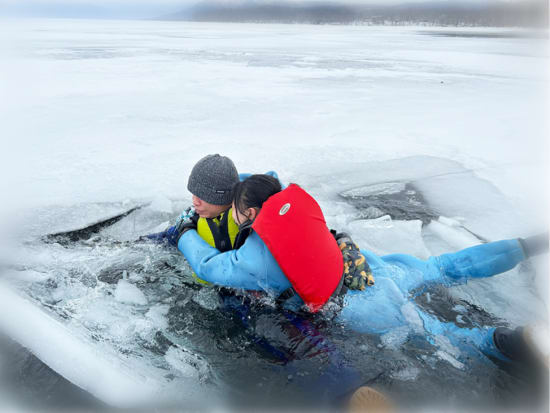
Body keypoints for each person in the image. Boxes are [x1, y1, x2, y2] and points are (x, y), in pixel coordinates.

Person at [172, 174, 548, 367]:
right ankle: (523, 248)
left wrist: (187, 230)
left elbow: (208, 265)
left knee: (434, 332)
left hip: (360, 305)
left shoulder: (258, 259)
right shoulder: (290, 207)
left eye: (238, 209)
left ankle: (503, 343)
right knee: (444, 266)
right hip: (373, 266)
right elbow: (266, 182)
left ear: (251, 214)